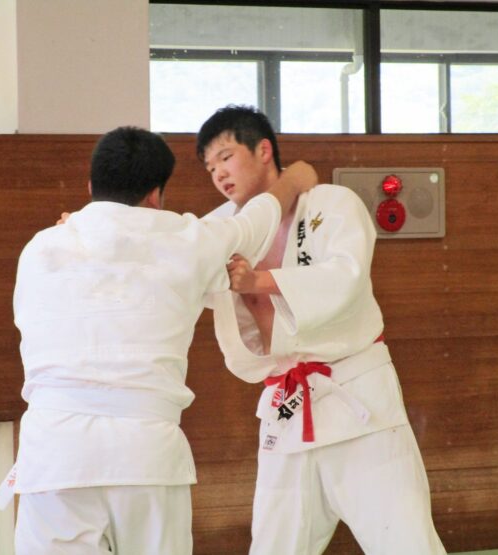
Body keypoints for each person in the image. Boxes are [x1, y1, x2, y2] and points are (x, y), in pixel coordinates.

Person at [0, 126, 316, 554]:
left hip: (54, 455)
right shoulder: (188, 241)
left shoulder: (39, 248)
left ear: (90, 187)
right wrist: (296, 178)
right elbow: (255, 223)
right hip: (145, 457)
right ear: (155, 195)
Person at [197, 105, 445, 554]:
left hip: (357, 401)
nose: (219, 174)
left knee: (405, 541)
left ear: (263, 150)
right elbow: (162, 259)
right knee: (273, 546)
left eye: (226, 157)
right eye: (210, 167)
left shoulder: (332, 203)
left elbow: (345, 277)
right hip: (286, 407)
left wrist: (259, 281)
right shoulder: (222, 231)